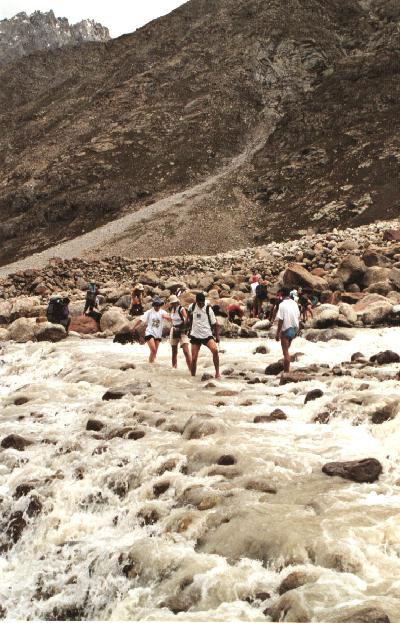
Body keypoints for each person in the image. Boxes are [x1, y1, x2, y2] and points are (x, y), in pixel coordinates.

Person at [188, 292, 220, 379]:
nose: (201, 304)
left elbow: (215, 324)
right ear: (196, 302)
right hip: (195, 335)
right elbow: (188, 317)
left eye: (202, 302)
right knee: (194, 358)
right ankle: (192, 377)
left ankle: (217, 373)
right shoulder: (192, 307)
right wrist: (187, 327)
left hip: (207, 335)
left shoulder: (208, 309)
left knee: (215, 350)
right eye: (199, 303)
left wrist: (217, 336)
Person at [132, 297, 170, 363]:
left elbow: (170, 318)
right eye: (156, 305)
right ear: (154, 305)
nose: (157, 306)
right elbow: (141, 319)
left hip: (158, 334)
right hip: (149, 333)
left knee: (154, 352)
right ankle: (150, 365)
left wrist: (167, 317)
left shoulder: (163, 312)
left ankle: (153, 365)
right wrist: (134, 327)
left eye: (158, 305)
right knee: (153, 350)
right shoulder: (149, 312)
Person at [275, 287, 300, 373]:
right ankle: (286, 370)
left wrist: (277, 333)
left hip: (286, 329)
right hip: (294, 329)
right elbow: (298, 316)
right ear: (289, 294)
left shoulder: (282, 305)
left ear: (281, 294)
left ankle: (286, 373)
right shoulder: (295, 303)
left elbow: (281, 320)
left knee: (285, 353)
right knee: (287, 351)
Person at [169, 295, 191, 371]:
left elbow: (186, 319)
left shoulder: (181, 309)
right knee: (174, 351)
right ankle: (174, 368)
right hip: (174, 330)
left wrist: (184, 325)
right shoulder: (172, 309)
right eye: (173, 303)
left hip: (182, 331)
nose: (174, 304)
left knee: (186, 351)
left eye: (175, 302)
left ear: (177, 301)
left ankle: (191, 369)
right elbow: (172, 319)